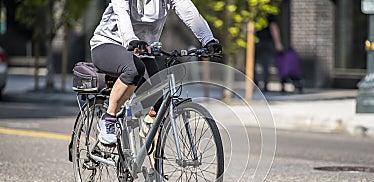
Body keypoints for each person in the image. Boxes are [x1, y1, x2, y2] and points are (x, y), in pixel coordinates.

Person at [90, 0, 222, 144]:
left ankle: (153, 163)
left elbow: (189, 12)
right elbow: (122, 14)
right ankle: (108, 119)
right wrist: (131, 39)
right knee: (134, 69)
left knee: (159, 109)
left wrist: (209, 40)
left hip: (143, 51)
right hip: (108, 45)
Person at [254, 14, 284, 91]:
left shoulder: (253, 12)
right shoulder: (269, 13)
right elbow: (274, 28)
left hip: (256, 41)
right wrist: (278, 43)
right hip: (267, 42)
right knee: (265, 64)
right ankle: (265, 85)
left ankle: (255, 83)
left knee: (252, 63)